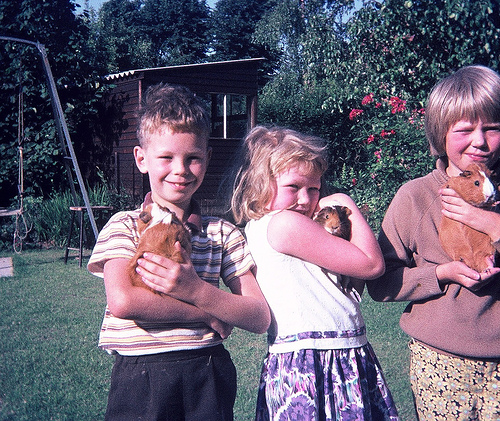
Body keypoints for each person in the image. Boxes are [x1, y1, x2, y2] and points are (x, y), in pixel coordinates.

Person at [88, 83, 271, 421]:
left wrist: (197, 290)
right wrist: (204, 314)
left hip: (207, 374)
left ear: (208, 158)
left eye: (193, 158)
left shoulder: (222, 234)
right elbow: (124, 301)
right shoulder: (125, 226)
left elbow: (259, 316)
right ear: (141, 159)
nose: (180, 169)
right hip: (141, 378)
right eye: (166, 157)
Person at [231, 125, 400, 420]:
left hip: (329, 352)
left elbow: (348, 288)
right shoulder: (284, 224)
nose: (306, 199)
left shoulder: (265, 226)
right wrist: (344, 202)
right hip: (317, 360)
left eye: (314, 188)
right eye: (293, 187)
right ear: (262, 184)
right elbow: (372, 264)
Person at [367, 65, 500, 420]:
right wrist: (442, 273)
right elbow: (381, 283)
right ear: (440, 134)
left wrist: (490, 223)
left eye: (493, 128)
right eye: (464, 130)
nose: (480, 141)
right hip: (440, 364)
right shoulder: (415, 197)